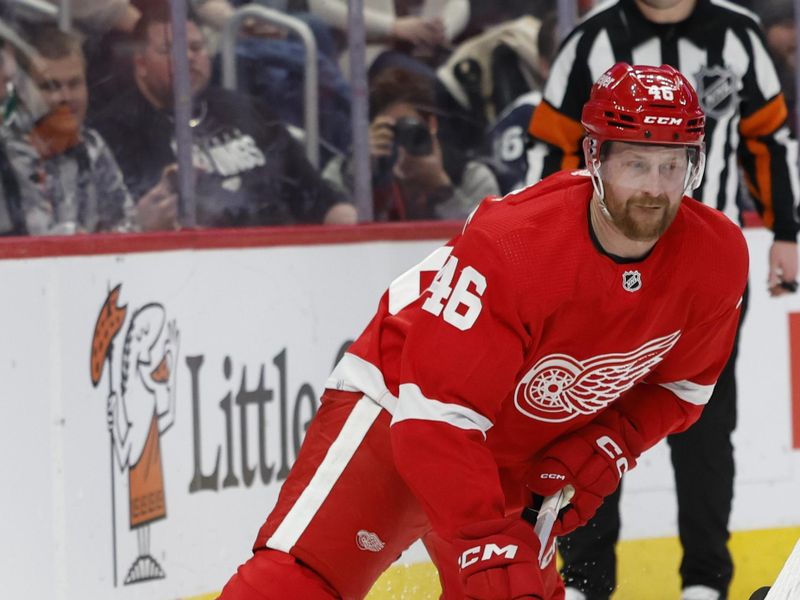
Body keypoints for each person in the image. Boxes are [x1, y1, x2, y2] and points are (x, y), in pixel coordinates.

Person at [216, 62, 748, 600]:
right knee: (300, 582)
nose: (655, 189)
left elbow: (681, 388)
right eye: (636, 163)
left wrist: (610, 441)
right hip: (402, 408)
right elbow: (435, 416)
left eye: (672, 166)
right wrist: (483, 539)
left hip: (510, 450)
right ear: (594, 158)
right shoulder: (513, 244)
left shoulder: (716, 256)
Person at [524, 2, 800, 599]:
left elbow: (768, 138)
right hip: (596, 272)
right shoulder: (591, 42)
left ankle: (704, 583)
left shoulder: (738, 36)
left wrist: (787, 231)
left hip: (709, 274)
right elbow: (552, 150)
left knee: (704, 423)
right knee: (590, 410)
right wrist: (543, 251)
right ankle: (585, 584)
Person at [92, 9, 356, 229]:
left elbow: (313, 191)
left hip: (281, 253)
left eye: (196, 47)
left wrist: (346, 218)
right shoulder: (115, 131)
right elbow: (121, 224)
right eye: (171, 49)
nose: (187, 57)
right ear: (140, 63)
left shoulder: (245, 109)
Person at [3, 25, 178, 234]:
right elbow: (40, 248)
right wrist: (139, 226)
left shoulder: (92, 145)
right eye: (50, 87)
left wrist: (154, 208)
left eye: (75, 84)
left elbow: (118, 224)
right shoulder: (7, 154)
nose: (65, 97)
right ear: (22, 93)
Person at [325, 66, 499, 221]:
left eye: (408, 128)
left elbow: (485, 244)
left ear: (431, 124)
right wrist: (361, 173)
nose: (400, 142)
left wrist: (443, 190)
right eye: (390, 131)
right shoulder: (344, 171)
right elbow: (332, 230)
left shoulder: (470, 176)